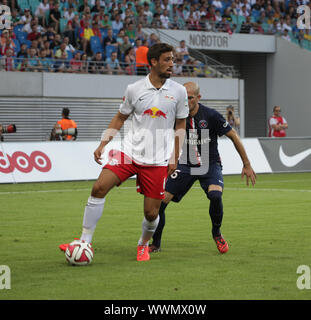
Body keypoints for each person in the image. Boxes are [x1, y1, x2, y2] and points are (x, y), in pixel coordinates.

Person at [59, 43, 189, 262]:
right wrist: (103, 143)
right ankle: (84, 240)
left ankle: (143, 244)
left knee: (151, 213)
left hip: (157, 159)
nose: (172, 64)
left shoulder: (179, 91)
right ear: (154, 62)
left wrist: (175, 156)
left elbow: (181, 125)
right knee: (99, 187)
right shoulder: (134, 89)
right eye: (167, 59)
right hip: (128, 151)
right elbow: (120, 117)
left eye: (173, 60)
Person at [149, 82, 257, 254]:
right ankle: (156, 242)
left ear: (198, 98)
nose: (186, 101)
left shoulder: (211, 115)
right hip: (185, 164)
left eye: (190, 98)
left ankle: (217, 233)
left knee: (215, 195)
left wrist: (247, 164)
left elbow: (233, 136)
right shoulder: (176, 115)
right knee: (160, 203)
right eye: (183, 97)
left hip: (209, 164)